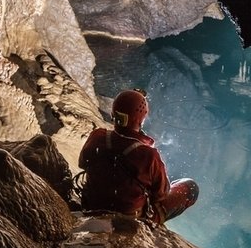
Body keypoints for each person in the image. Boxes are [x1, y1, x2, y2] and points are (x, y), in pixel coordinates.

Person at [78, 88, 198, 224]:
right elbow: (161, 194)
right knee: (190, 187)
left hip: (91, 206)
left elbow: (82, 163)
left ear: (113, 114)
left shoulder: (97, 136)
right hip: (129, 219)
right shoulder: (148, 154)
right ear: (141, 119)